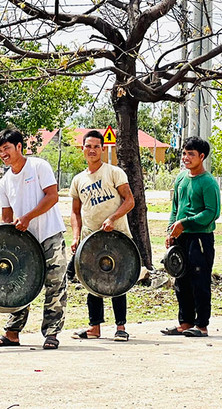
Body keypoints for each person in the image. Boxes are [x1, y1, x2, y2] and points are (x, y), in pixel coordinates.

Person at [0, 128, 68, 350]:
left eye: (7, 148)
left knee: (55, 283)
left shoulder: (39, 166)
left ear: (19, 147)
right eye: (0, 150)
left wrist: (28, 217)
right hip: (23, 241)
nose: (3, 154)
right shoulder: (4, 182)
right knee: (18, 285)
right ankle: (12, 333)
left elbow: (52, 196)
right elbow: (6, 217)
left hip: (49, 234)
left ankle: (51, 333)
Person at [69, 130, 135, 341]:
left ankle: (121, 327)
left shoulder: (114, 173)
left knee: (118, 281)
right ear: (83, 149)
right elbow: (75, 212)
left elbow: (129, 201)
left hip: (117, 237)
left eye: (96, 146)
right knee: (92, 283)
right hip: (92, 238)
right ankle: (94, 327)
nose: (92, 150)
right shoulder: (78, 180)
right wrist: (76, 236)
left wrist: (113, 218)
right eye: (88, 146)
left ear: (103, 149)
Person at [162, 136, 221, 338]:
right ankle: (185, 323)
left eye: (191, 154)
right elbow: (175, 208)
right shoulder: (180, 178)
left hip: (200, 239)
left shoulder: (208, 182)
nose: (186, 158)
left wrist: (184, 223)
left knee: (199, 281)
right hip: (180, 238)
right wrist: (171, 230)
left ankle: (201, 325)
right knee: (181, 280)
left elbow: (211, 213)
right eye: (184, 153)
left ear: (202, 156)